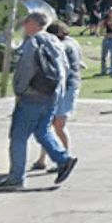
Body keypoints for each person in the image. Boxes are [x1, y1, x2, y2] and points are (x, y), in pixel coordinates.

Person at [0, 12, 78, 190]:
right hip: (52, 94)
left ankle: (16, 177)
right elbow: (65, 68)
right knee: (42, 130)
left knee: (18, 136)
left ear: (35, 24)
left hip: (33, 95)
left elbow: (26, 69)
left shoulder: (32, 42)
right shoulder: (55, 41)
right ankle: (63, 159)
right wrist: (58, 94)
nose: (23, 25)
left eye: (26, 22)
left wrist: (19, 90)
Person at [33, 22, 84, 172]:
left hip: (66, 86)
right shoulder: (73, 42)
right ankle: (43, 159)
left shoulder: (61, 46)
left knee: (57, 124)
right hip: (67, 85)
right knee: (48, 125)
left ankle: (64, 157)